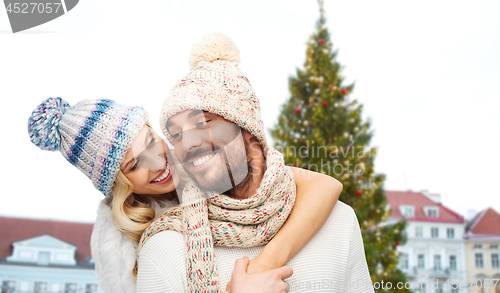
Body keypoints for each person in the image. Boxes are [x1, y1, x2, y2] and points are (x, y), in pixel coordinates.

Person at [135, 33, 374, 293]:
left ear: (248, 132)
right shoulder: (164, 246)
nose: (187, 143)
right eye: (177, 134)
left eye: (202, 122)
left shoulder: (338, 220)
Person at [27, 97, 342, 293]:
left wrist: (263, 265)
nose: (157, 162)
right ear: (117, 184)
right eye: (135, 164)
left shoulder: (201, 161)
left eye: (151, 141)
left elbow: (325, 186)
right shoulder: (121, 251)